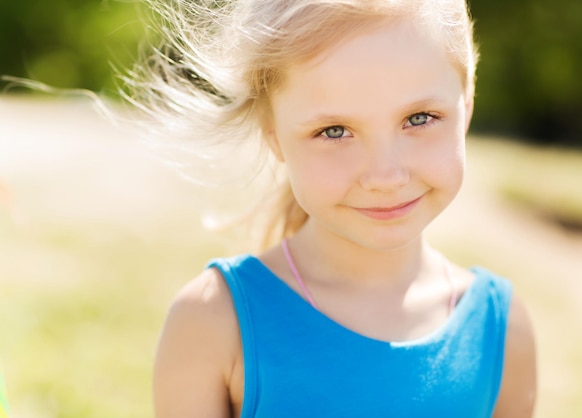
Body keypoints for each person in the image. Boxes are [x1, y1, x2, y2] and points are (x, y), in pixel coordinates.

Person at [137, 0, 537, 416]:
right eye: (334, 131)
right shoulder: (215, 322)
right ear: (273, 135)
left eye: (419, 118)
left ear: (466, 105)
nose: (386, 176)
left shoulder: (500, 331)